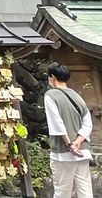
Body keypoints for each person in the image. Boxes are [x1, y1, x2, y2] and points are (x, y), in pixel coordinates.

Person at [45, 62, 94, 198]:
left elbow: (57, 123)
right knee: (85, 191)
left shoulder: (51, 95)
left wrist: (69, 144)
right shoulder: (77, 96)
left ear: (52, 77)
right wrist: (78, 142)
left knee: (62, 191)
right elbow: (87, 123)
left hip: (63, 152)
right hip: (82, 150)